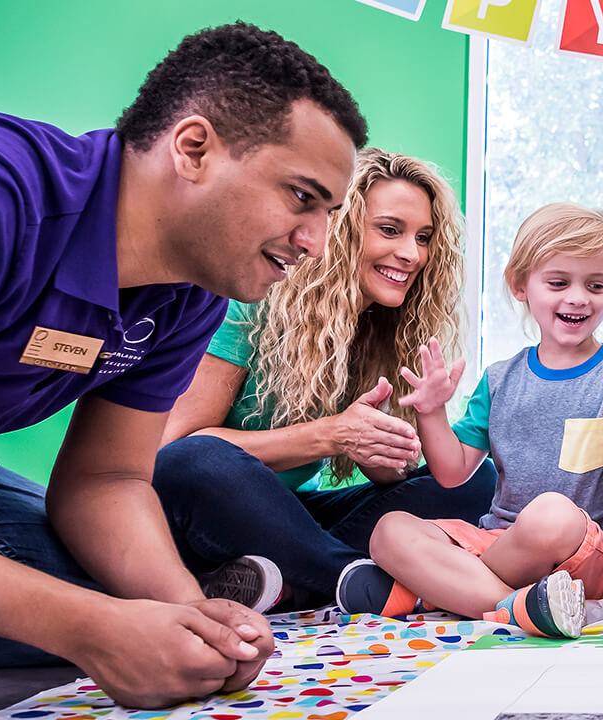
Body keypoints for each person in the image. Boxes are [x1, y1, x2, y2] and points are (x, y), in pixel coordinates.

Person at [0, 22, 368, 707]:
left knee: (90, 589)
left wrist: (185, 615)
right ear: (193, 148)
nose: (315, 243)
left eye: (330, 213)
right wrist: (87, 630)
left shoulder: (189, 293)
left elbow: (106, 479)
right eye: (301, 198)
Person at [154, 148, 495, 612]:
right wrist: (331, 436)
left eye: (424, 237)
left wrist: (386, 451)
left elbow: (385, 471)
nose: (412, 254)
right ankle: (348, 578)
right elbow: (176, 449)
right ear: (342, 229)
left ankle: (288, 580)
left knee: (470, 480)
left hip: (292, 519)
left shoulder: (378, 330)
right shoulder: (249, 304)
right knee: (196, 461)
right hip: (201, 516)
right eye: (390, 230)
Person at [336, 203, 603, 639]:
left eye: (596, 284)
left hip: (590, 551)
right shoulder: (500, 380)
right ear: (520, 285)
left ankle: (437, 594)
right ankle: (521, 606)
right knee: (389, 531)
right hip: (499, 543)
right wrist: (431, 413)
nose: (578, 297)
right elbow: (451, 474)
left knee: (550, 516)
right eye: (558, 282)